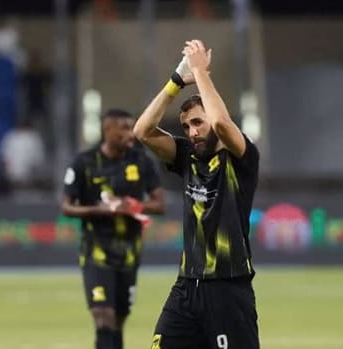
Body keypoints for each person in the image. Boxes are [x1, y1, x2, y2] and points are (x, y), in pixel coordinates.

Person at [133, 39, 260, 349]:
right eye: (187, 125)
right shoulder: (187, 156)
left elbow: (220, 121)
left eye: (197, 123)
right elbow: (142, 131)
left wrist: (201, 73)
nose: (192, 132)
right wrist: (177, 80)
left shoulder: (241, 157)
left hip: (228, 290)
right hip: (187, 286)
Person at [61, 108, 165, 349]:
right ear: (108, 130)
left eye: (132, 128)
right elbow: (67, 207)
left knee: (118, 319)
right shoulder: (84, 163)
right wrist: (101, 210)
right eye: (125, 129)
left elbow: (159, 204)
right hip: (96, 251)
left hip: (129, 251)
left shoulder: (141, 161)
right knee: (103, 316)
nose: (131, 134)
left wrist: (134, 206)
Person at [0, 117, 46, 188]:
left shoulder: (34, 137)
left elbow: (38, 159)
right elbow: (3, 157)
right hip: (11, 179)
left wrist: (32, 176)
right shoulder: (10, 136)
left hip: (29, 180)